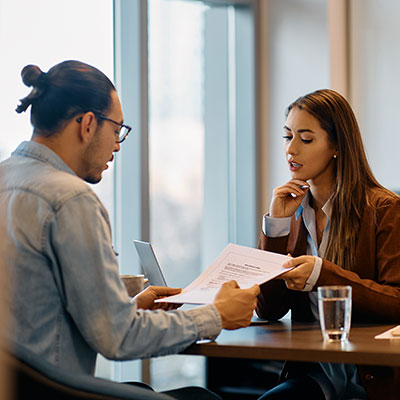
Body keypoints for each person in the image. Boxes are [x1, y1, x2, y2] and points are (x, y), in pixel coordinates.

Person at [0, 60, 260, 399]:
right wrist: (217, 314)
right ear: (88, 124)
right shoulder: (70, 199)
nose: (119, 145)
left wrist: (130, 307)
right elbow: (117, 338)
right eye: (117, 129)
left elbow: (35, 311)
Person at [256, 89, 400, 400]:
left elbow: (397, 301)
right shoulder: (292, 212)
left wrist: (322, 275)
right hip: (317, 374)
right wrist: (276, 226)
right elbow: (269, 309)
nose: (291, 149)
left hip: (373, 378)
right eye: (287, 136)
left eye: (305, 139)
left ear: (336, 145)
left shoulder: (384, 209)